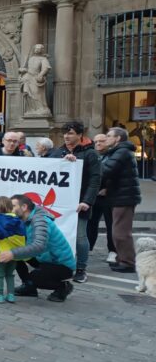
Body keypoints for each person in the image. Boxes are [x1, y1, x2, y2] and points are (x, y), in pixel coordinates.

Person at [50, 121, 101, 283]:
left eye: (71, 133)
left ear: (80, 135)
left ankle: (81, 269)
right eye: (65, 133)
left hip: (80, 203)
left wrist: (87, 201)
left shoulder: (90, 154)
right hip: (59, 203)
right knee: (59, 235)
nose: (66, 136)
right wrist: (62, 162)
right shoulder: (58, 152)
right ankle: (60, 264)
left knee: (80, 236)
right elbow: (47, 169)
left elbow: (95, 179)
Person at [3, 194, 76, 302]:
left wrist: (13, 253)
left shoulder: (40, 220)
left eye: (12, 206)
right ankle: (29, 288)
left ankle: (63, 287)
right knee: (15, 255)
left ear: (24, 207)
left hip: (61, 265)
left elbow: (39, 246)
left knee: (34, 277)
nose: (9, 210)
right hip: (43, 259)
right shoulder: (22, 220)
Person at [102, 127, 141, 273]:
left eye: (109, 136)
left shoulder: (122, 152)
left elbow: (107, 170)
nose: (106, 138)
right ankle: (122, 259)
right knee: (117, 231)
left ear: (117, 138)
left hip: (124, 197)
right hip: (121, 196)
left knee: (121, 232)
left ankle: (128, 262)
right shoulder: (118, 151)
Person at [88, 133, 117, 264]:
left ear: (108, 142)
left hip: (109, 196)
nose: (98, 144)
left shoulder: (114, 155)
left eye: (101, 141)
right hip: (94, 195)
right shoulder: (93, 155)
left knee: (110, 224)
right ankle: (88, 247)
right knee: (91, 222)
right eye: (96, 142)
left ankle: (113, 251)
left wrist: (109, 188)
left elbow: (119, 175)